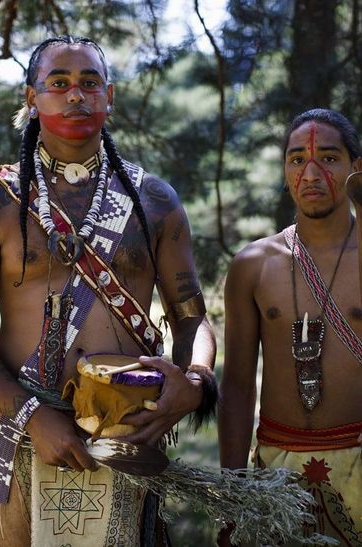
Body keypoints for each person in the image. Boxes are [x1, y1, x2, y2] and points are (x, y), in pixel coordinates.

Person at [0, 35, 217, 546]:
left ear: (109, 96)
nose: (76, 96)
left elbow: (191, 318)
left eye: (90, 83)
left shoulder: (153, 200)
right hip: (23, 435)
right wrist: (33, 415)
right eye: (59, 83)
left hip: (130, 431)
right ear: (31, 99)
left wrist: (195, 380)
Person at [219, 109, 362, 546]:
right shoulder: (253, 266)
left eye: (330, 159)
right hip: (276, 467)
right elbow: (239, 387)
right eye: (297, 159)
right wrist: (233, 494)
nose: (312, 173)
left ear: (356, 168)